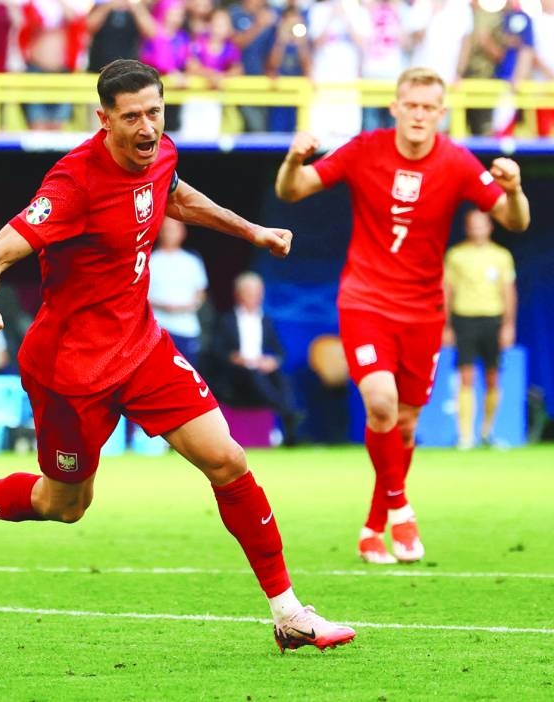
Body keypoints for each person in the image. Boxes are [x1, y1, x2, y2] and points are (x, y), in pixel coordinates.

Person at [0, 59, 356, 652]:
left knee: (227, 460)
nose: (147, 127)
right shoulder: (73, 184)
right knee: (64, 503)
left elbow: (173, 196)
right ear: (104, 120)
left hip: (142, 346)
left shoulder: (161, 152)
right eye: (132, 117)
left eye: (155, 112)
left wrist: (251, 231)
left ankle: (287, 613)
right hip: (69, 370)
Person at [275, 66, 530, 565]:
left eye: (427, 107)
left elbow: (514, 219)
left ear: (441, 113)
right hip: (365, 300)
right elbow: (293, 189)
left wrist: (516, 188)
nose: (417, 114)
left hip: (424, 312)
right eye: (409, 105)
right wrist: (291, 160)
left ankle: (373, 529)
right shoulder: (365, 147)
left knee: (406, 426)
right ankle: (402, 510)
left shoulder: (457, 162)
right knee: (381, 403)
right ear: (394, 107)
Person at [443, 209, 517, 450]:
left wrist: (508, 325)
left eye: (481, 224)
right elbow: (447, 290)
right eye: (473, 225)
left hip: (492, 319)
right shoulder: (456, 255)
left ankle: (487, 432)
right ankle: (465, 436)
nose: (477, 229)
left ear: (490, 227)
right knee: (466, 376)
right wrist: (445, 324)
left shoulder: (501, 256)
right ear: (467, 228)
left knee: (493, 376)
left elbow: (508, 291)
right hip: (464, 319)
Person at [210, 271, 301, 446]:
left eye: (258, 293)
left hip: (260, 369)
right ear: (239, 295)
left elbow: (279, 351)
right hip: (237, 374)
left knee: (281, 378)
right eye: (250, 293)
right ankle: (287, 412)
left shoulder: (266, 320)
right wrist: (233, 357)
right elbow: (216, 350)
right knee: (253, 375)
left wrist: (272, 361)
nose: (255, 297)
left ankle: (289, 421)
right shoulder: (226, 320)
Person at [147, 217, 208, 367]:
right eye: (166, 229)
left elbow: (201, 292)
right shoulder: (150, 260)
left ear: (182, 232)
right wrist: (163, 306)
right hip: (157, 329)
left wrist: (190, 305)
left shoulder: (192, 261)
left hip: (186, 329)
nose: (169, 234)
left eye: (173, 229)